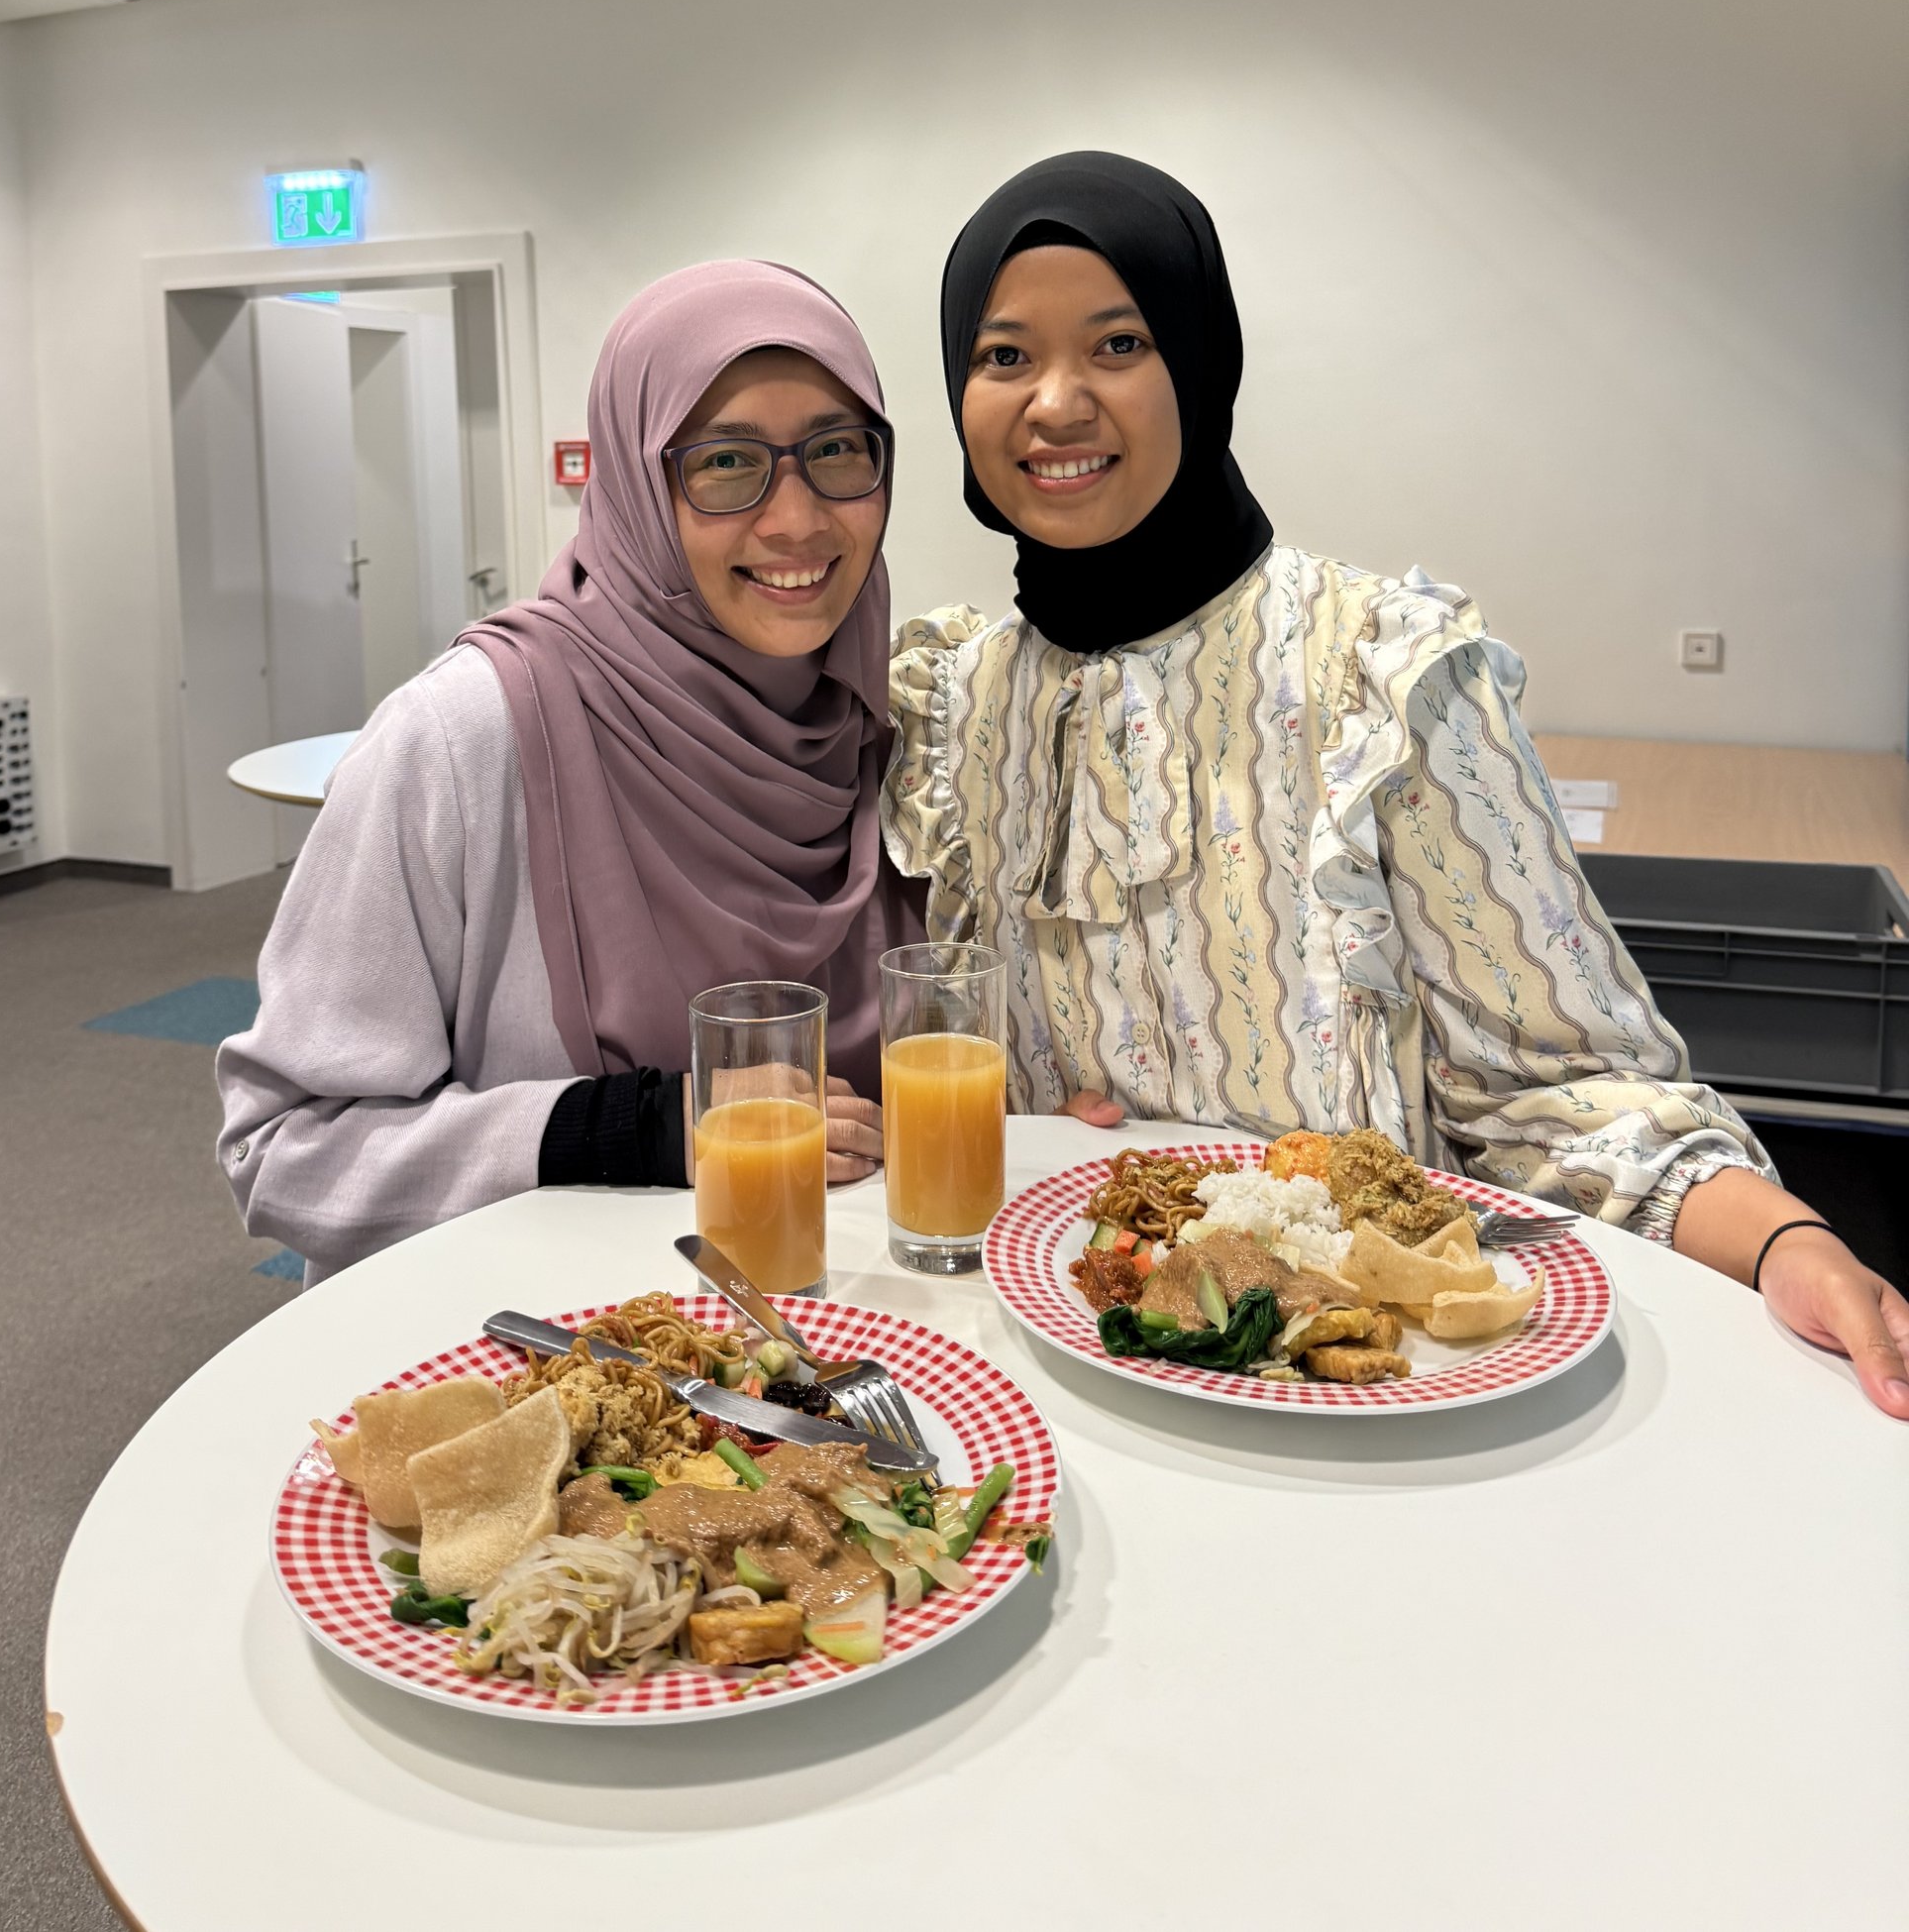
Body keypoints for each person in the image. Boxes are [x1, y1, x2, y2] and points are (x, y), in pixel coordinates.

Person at [885, 152, 1909, 1417]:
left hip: (1365, 1392)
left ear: (1198, 365)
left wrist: (1786, 1244)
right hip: (1062, 1361)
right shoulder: (959, 702)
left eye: (1118, 344)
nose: (1054, 402)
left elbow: (1560, 1085)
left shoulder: (1379, 671)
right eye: (1002, 356)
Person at [219, 260, 920, 1281]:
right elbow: (286, 1148)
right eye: (726, 462)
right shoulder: (463, 738)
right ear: (635, 484)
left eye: (837, 449)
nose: (797, 520)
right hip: (548, 1342)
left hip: (844, 1325)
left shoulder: (888, 729)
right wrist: (636, 1128)